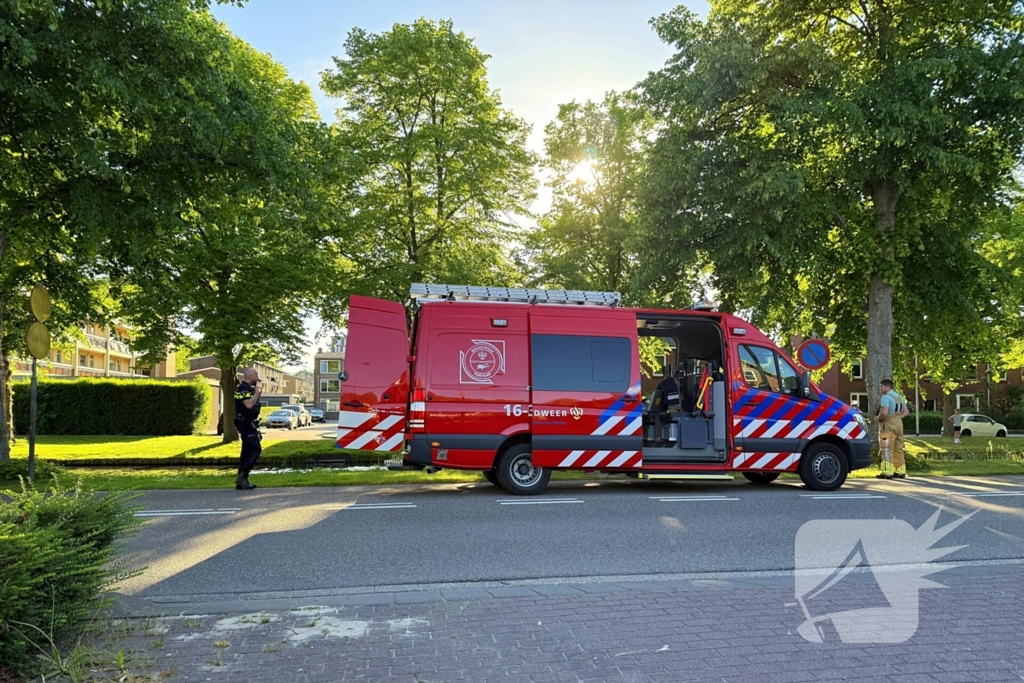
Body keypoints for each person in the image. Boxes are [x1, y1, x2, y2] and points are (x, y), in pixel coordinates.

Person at [233, 368, 263, 490]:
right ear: (250, 376)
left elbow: (254, 404)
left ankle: (241, 480)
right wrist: (256, 392)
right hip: (245, 424)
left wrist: (258, 393)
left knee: (246, 451)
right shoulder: (242, 389)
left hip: (250, 423)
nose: (257, 378)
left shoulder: (248, 389)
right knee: (255, 449)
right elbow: (249, 405)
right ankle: (242, 477)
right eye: (256, 376)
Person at [876, 378, 910, 479]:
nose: (880, 389)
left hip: (888, 424)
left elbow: (884, 412)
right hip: (899, 423)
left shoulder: (886, 397)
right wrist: (898, 418)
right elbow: (906, 411)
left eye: (881, 386)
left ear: (887, 387)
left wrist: (879, 418)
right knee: (898, 447)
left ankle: (887, 471)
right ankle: (900, 470)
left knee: (887, 447)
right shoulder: (899, 397)